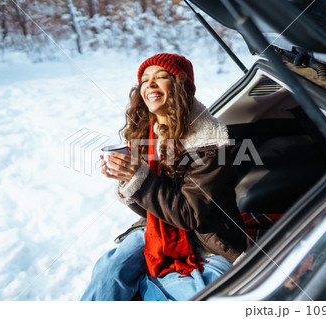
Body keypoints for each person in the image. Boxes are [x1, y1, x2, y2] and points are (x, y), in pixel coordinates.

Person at [81, 53, 247, 301]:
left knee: (186, 296)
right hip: (157, 229)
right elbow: (151, 210)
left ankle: (145, 283)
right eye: (145, 80)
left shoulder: (210, 143)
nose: (150, 84)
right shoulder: (146, 132)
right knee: (108, 272)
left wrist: (139, 177)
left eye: (161, 77)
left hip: (209, 241)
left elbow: (188, 215)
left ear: (181, 85)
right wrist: (126, 178)